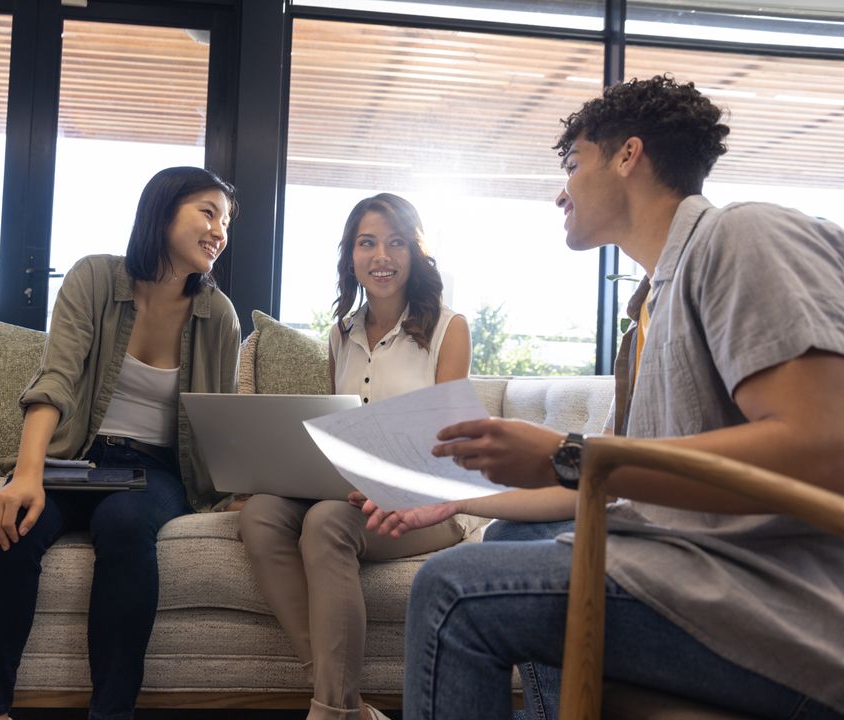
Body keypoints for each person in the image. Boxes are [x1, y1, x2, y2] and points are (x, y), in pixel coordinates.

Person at [361, 75, 844, 719]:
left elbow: (822, 444)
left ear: (627, 157)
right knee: (507, 539)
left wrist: (570, 452)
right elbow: (607, 486)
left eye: (573, 162)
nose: (562, 190)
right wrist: (446, 497)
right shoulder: (648, 311)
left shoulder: (743, 236)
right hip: (697, 567)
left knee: (449, 592)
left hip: (774, 604)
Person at [0, 166, 241, 720]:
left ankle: (111, 712)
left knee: (125, 526)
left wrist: (241, 486)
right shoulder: (93, 278)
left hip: (155, 470)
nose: (220, 231)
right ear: (162, 212)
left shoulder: (220, 317)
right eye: (208, 212)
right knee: (11, 528)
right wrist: (26, 475)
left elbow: (221, 422)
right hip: (77, 455)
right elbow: (56, 381)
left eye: (227, 221)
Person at [237, 193, 472, 720]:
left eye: (395, 242)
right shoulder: (339, 334)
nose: (381, 255)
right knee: (260, 513)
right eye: (367, 243)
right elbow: (337, 431)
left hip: (427, 501)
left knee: (324, 523)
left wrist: (392, 481)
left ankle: (332, 710)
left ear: (414, 252)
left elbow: (451, 440)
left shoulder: (448, 327)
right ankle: (347, 702)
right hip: (349, 491)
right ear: (351, 256)